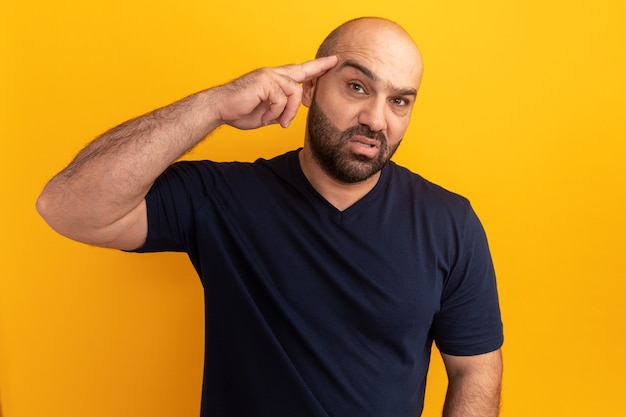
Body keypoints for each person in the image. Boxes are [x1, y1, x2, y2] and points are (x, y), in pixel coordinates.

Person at [37, 16, 503, 417]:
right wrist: (214, 105)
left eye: (399, 100)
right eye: (357, 87)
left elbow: (475, 369)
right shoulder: (221, 197)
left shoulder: (450, 223)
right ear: (311, 87)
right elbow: (67, 206)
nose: (377, 120)